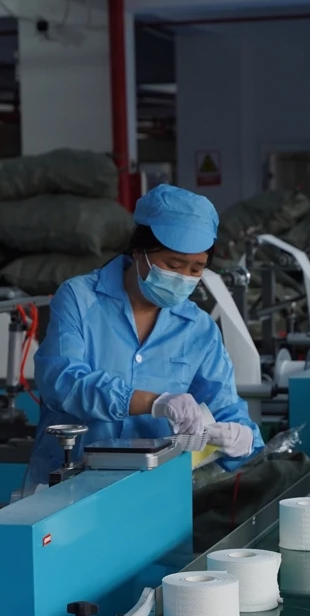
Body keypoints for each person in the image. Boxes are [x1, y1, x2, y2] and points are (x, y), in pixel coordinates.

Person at [26, 184, 265, 487]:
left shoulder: (199, 329)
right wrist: (152, 401)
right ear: (139, 251)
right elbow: (61, 381)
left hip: (156, 490)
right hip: (71, 485)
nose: (183, 277)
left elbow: (226, 408)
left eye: (196, 269)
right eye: (173, 265)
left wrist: (241, 436)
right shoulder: (80, 299)